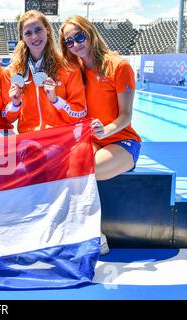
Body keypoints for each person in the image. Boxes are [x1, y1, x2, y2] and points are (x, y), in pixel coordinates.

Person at [60, 16, 142, 255]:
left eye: (79, 36)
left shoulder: (119, 66)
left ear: (91, 33)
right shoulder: (74, 71)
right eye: (68, 41)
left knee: (90, 169)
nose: (75, 44)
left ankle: (96, 233)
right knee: (66, 169)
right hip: (91, 141)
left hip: (122, 141)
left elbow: (125, 116)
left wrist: (105, 130)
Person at [3, 10, 87, 134]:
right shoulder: (12, 72)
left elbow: (80, 113)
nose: (35, 37)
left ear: (47, 30)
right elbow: (7, 118)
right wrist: (15, 104)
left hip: (60, 138)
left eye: (38, 30)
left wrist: (55, 100)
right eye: (28, 33)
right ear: (22, 37)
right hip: (28, 140)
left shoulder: (69, 68)